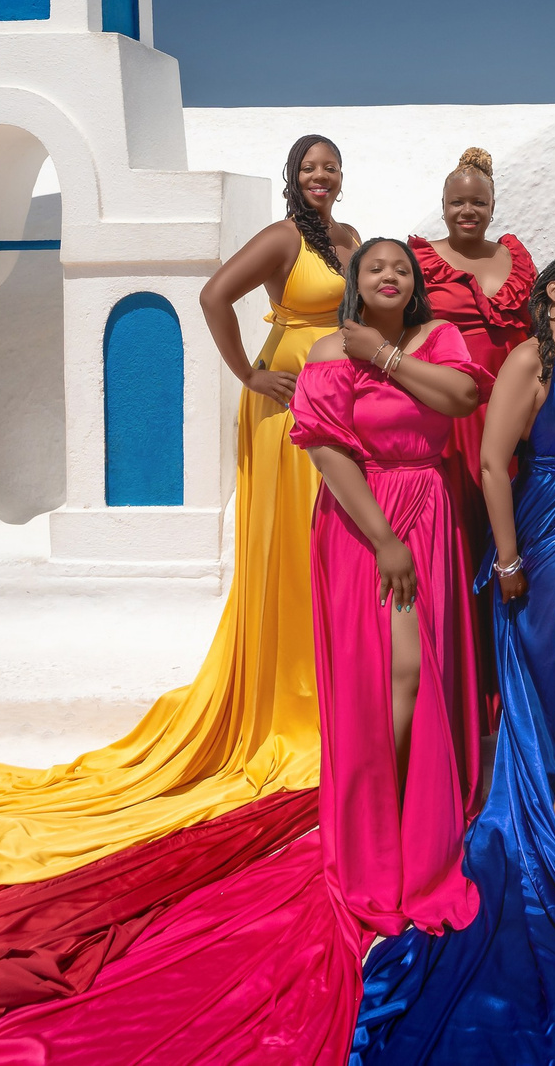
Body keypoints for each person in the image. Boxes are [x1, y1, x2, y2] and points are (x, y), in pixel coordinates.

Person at [352, 252, 555, 1064]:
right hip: (544, 527)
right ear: (552, 294)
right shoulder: (529, 358)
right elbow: (496, 462)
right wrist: (505, 556)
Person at [291, 237, 484, 935]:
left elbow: (462, 396)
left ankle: (416, 817)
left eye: (401, 267)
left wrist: (384, 357)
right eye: (376, 267)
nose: (390, 275)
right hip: (363, 523)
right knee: (392, 676)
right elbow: (325, 449)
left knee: (416, 670)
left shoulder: (440, 337)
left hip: (429, 509)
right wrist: (383, 541)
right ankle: (381, 827)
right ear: (356, 279)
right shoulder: (324, 356)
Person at [195, 131, 358, 760]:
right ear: (293, 176)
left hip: (338, 401)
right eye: (310, 168)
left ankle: (332, 683)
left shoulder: (347, 238)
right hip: (286, 407)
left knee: (330, 537)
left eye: (331, 168)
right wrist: (248, 374)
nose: (321, 177)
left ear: (342, 176)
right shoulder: (282, 237)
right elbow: (214, 296)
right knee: (294, 539)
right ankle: (292, 696)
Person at [410, 146, 535, 726]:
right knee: (456, 543)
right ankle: (460, 689)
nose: (468, 211)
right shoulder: (418, 260)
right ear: (442, 204)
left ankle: (507, 688)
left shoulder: (515, 255)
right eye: (457, 201)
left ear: (492, 204)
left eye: (477, 201)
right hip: (445, 418)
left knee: (507, 537)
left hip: (509, 417)